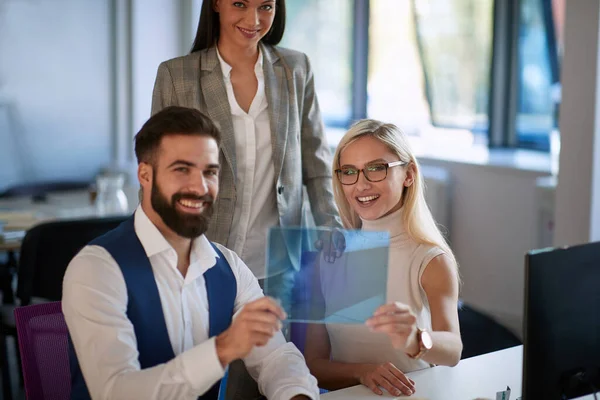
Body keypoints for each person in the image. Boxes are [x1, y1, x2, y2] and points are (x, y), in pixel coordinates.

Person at [62, 106, 318, 400]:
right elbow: (116, 391)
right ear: (145, 175)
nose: (199, 187)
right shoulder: (96, 269)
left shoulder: (230, 268)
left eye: (209, 172)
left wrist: (298, 395)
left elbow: (275, 357)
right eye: (182, 169)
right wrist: (222, 350)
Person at [304, 119, 463, 397]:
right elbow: (313, 364)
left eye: (376, 169)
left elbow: (453, 349)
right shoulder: (329, 257)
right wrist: (362, 372)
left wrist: (417, 339)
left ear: (409, 174)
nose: (361, 185)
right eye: (349, 172)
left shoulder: (430, 258)